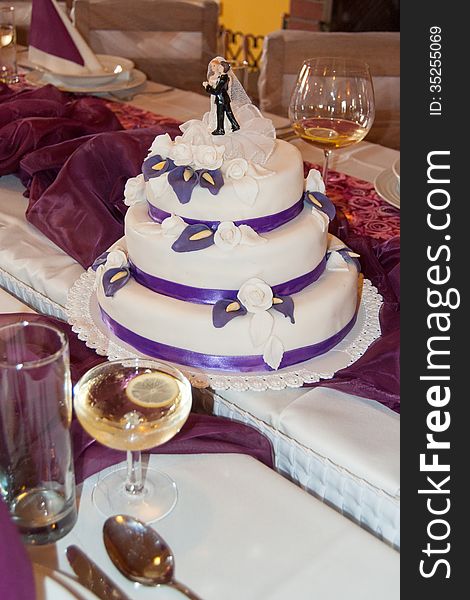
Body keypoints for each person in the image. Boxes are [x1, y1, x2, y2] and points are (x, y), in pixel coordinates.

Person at [203, 59, 240, 136]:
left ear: (223, 68)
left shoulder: (223, 78)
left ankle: (220, 129)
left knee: (220, 114)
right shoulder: (223, 77)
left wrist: (207, 87)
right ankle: (235, 125)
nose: (218, 68)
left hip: (221, 99)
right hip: (224, 98)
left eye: (220, 67)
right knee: (229, 112)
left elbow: (216, 91)